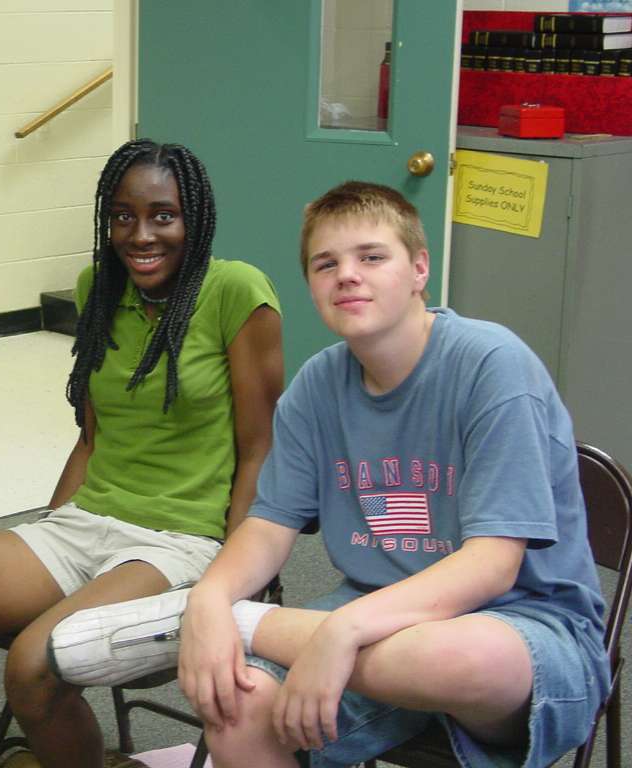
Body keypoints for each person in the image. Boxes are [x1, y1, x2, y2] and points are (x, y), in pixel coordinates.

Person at [49, 181, 610, 768]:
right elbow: (269, 525)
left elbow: (493, 564)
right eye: (326, 264)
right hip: (372, 611)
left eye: (372, 257)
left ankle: (240, 623)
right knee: (236, 710)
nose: (347, 276)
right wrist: (212, 594)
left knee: (463, 658)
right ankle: (217, 616)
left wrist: (336, 631)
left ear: (419, 269)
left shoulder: (493, 365)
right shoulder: (317, 385)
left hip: (520, 623)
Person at [0, 138, 284, 768]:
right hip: (85, 524)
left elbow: (260, 448)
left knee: (33, 663)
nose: (141, 235)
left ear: (196, 219)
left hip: (180, 542)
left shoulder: (237, 291)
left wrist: (235, 583)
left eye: (163, 215)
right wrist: (48, 529)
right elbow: (92, 437)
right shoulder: (98, 286)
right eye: (123, 216)